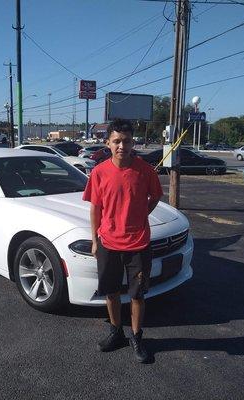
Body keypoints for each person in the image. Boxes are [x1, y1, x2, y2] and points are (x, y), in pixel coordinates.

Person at [82, 118, 163, 363]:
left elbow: (156, 197)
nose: (121, 146)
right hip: (108, 242)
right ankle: (116, 332)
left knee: (137, 295)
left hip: (138, 243)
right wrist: (95, 239)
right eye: (116, 141)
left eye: (126, 141)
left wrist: (141, 215)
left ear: (132, 143)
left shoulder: (145, 170)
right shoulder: (99, 172)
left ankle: (137, 337)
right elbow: (95, 209)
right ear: (107, 143)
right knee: (111, 292)